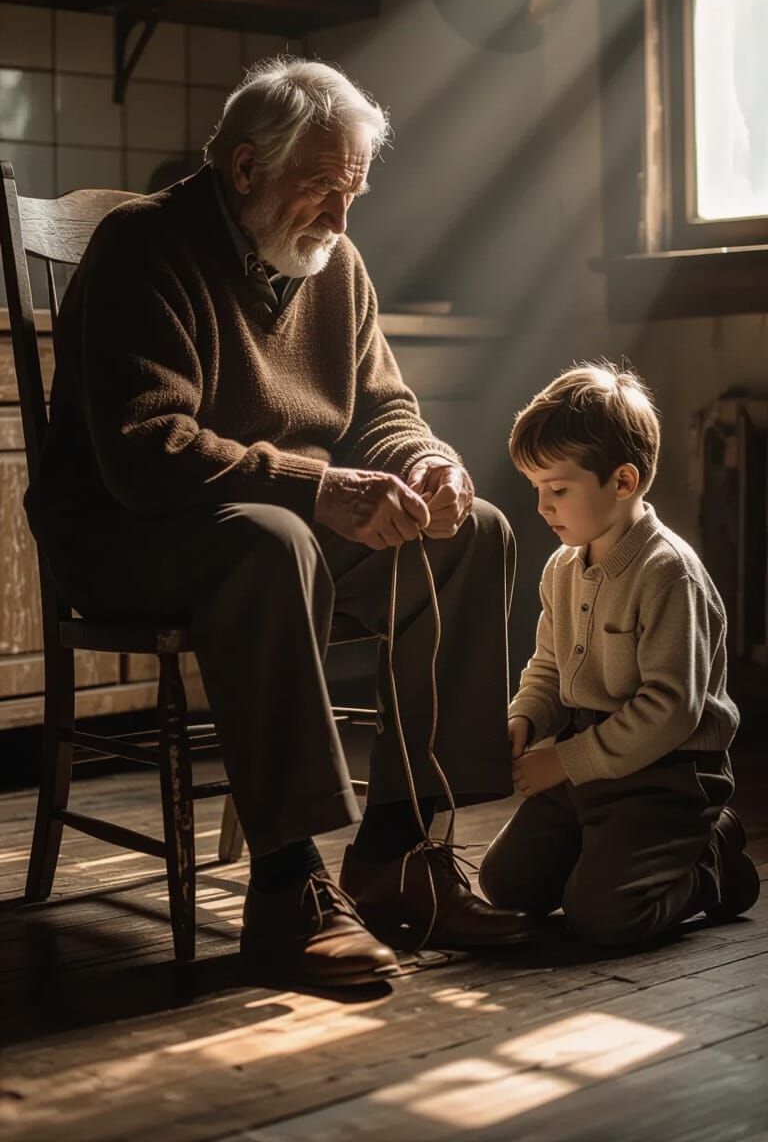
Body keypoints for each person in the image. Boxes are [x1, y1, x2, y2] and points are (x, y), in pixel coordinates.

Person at [26, 57, 533, 988]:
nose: (342, 221)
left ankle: (397, 851)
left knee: (474, 533)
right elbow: (148, 449)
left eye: (354, 193)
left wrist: (426, 461)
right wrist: (317, 485)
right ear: (246, 167)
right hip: (134, 533)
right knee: (275, 539)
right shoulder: (144, 245)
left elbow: (383, 409)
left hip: (275, 520)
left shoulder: (338, 265)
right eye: (322, 190)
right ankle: (288, 884)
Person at [479, 362, 759, 946]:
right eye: (537, 489)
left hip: (667, 773)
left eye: (557, 490)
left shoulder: (668, 573)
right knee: (506, 885)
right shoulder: (562, 567)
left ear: (624, 481)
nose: (542, 507)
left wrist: (564, 761)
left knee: (604, 918)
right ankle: (608, 848)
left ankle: (710, 857)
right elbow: (550, 668)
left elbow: (670, 711)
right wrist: (525, 717)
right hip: (587, 763)